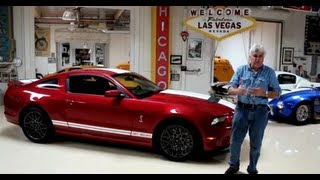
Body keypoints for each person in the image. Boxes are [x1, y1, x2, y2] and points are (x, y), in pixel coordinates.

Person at [225, 44, 281, 174]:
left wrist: (264, 93)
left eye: (260, 56)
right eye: (255, 56)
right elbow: (229, 88)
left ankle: (252, 168)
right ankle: (233, 166)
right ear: (250, 57)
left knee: (256, 142)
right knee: (235, 140)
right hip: (241, 110)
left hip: (260, 112)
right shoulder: (241, 70)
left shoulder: (269, 73)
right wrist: (237, 90)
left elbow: (277, 93)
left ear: (263, 57)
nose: (258, 58)